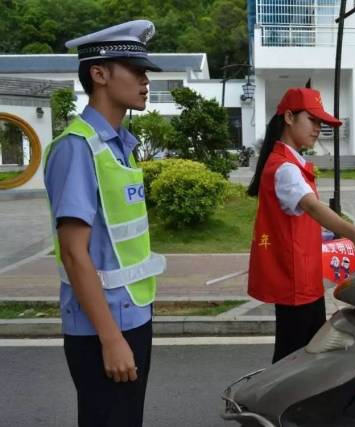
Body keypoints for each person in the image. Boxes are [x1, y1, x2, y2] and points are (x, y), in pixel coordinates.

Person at [43, 20, 165, 427]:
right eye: (137, 70)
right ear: (99, 74)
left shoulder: (121, 147)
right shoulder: (77, 149)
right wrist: (111, 339)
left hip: (134, 317)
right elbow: (74, 253)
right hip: (102, 329)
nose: (146, 80)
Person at [247, 87, 355, 364]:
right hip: (295, 279)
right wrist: (353, 231)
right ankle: (277, 406)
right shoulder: (285, 167)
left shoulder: (290, 162)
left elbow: (300, 217)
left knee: (306, 351)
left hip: (304, 276)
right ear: (289, 117)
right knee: (294, 357)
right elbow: (312, 206)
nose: (318, 129)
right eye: (312, 120)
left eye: (320, 123)